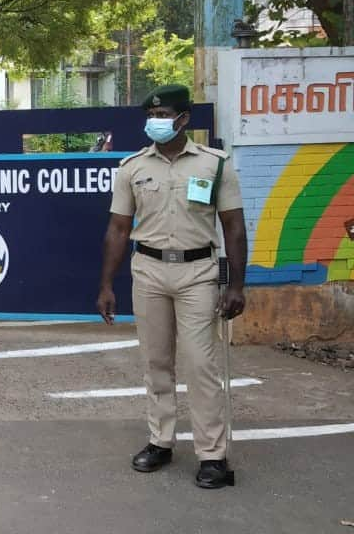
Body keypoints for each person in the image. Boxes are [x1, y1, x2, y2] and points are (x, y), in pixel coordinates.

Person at [97, 84, 247, 490]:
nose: (157, 122)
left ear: (184, 119)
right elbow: (118, 228)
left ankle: (211, 455)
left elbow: (233, 226)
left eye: (165, 116)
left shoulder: (215, 165)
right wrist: (106, 284)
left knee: (201, 365)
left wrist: (235, 284)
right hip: (148, 271)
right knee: (156, 362)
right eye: (153, 116)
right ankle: (160, 441)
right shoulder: (132, 167)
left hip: (198, 272)